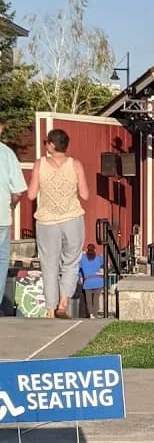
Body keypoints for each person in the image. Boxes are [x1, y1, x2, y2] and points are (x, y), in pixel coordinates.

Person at [27, 128, 89, 318]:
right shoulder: (75, 165)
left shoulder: (40, 164)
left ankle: (50, 309)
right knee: (71, 262)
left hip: (47, 221)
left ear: (52, 145)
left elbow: (31, 195)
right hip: (72, 219)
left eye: (47, 142)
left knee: (49, 265)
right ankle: (63, 302)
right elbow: (85, 194)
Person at [0, 122, 27, 312]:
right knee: (1, 262)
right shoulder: (7, 154)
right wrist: (11, 205)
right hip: (1, 216)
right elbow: (18, 191)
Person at [78, 243, 105, 319]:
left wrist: (81, 276)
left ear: (87, 249)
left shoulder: (82, 258)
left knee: (88, 300)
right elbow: (105, 263)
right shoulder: (99, 257)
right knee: (96, 299)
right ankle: (95, 314)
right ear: (95, 250)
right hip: (98, 281)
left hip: (88, 281)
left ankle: (91, 314)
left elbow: (79, 269)